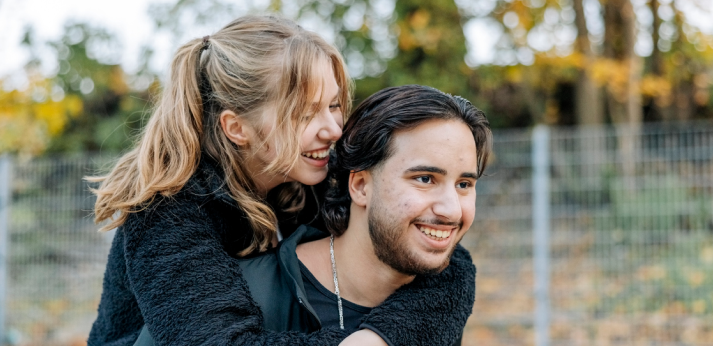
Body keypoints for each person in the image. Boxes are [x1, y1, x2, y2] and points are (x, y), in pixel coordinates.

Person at [87, 15, 475, 346]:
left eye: (334, 105)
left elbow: (449, 262)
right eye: (304, 115)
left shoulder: (312, 172)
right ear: (237, 128)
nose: (333, 129)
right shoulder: (167, 214)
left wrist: (382, 335)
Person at [132, 84, 491, 346]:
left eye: (464, 185)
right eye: (425, 179)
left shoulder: (437, 301)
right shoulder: (228, 300)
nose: (451, 209)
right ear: (361, 186)